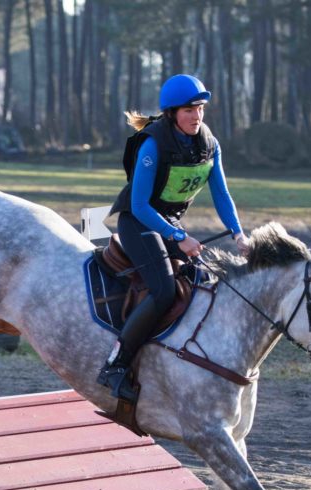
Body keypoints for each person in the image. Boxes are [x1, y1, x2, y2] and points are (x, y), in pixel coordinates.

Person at [97, 73, 252, 403]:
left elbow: (222, 195)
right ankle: (115, 365)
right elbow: (139, 205)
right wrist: (179, 236)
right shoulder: (152, 144)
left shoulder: (210, 145)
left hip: (167, 224)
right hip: (138, 223)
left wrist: (239, 233)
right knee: (165, 289)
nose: (196, 116)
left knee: (200, 280)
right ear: (171, 113)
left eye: (200, 109)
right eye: (188, 110)